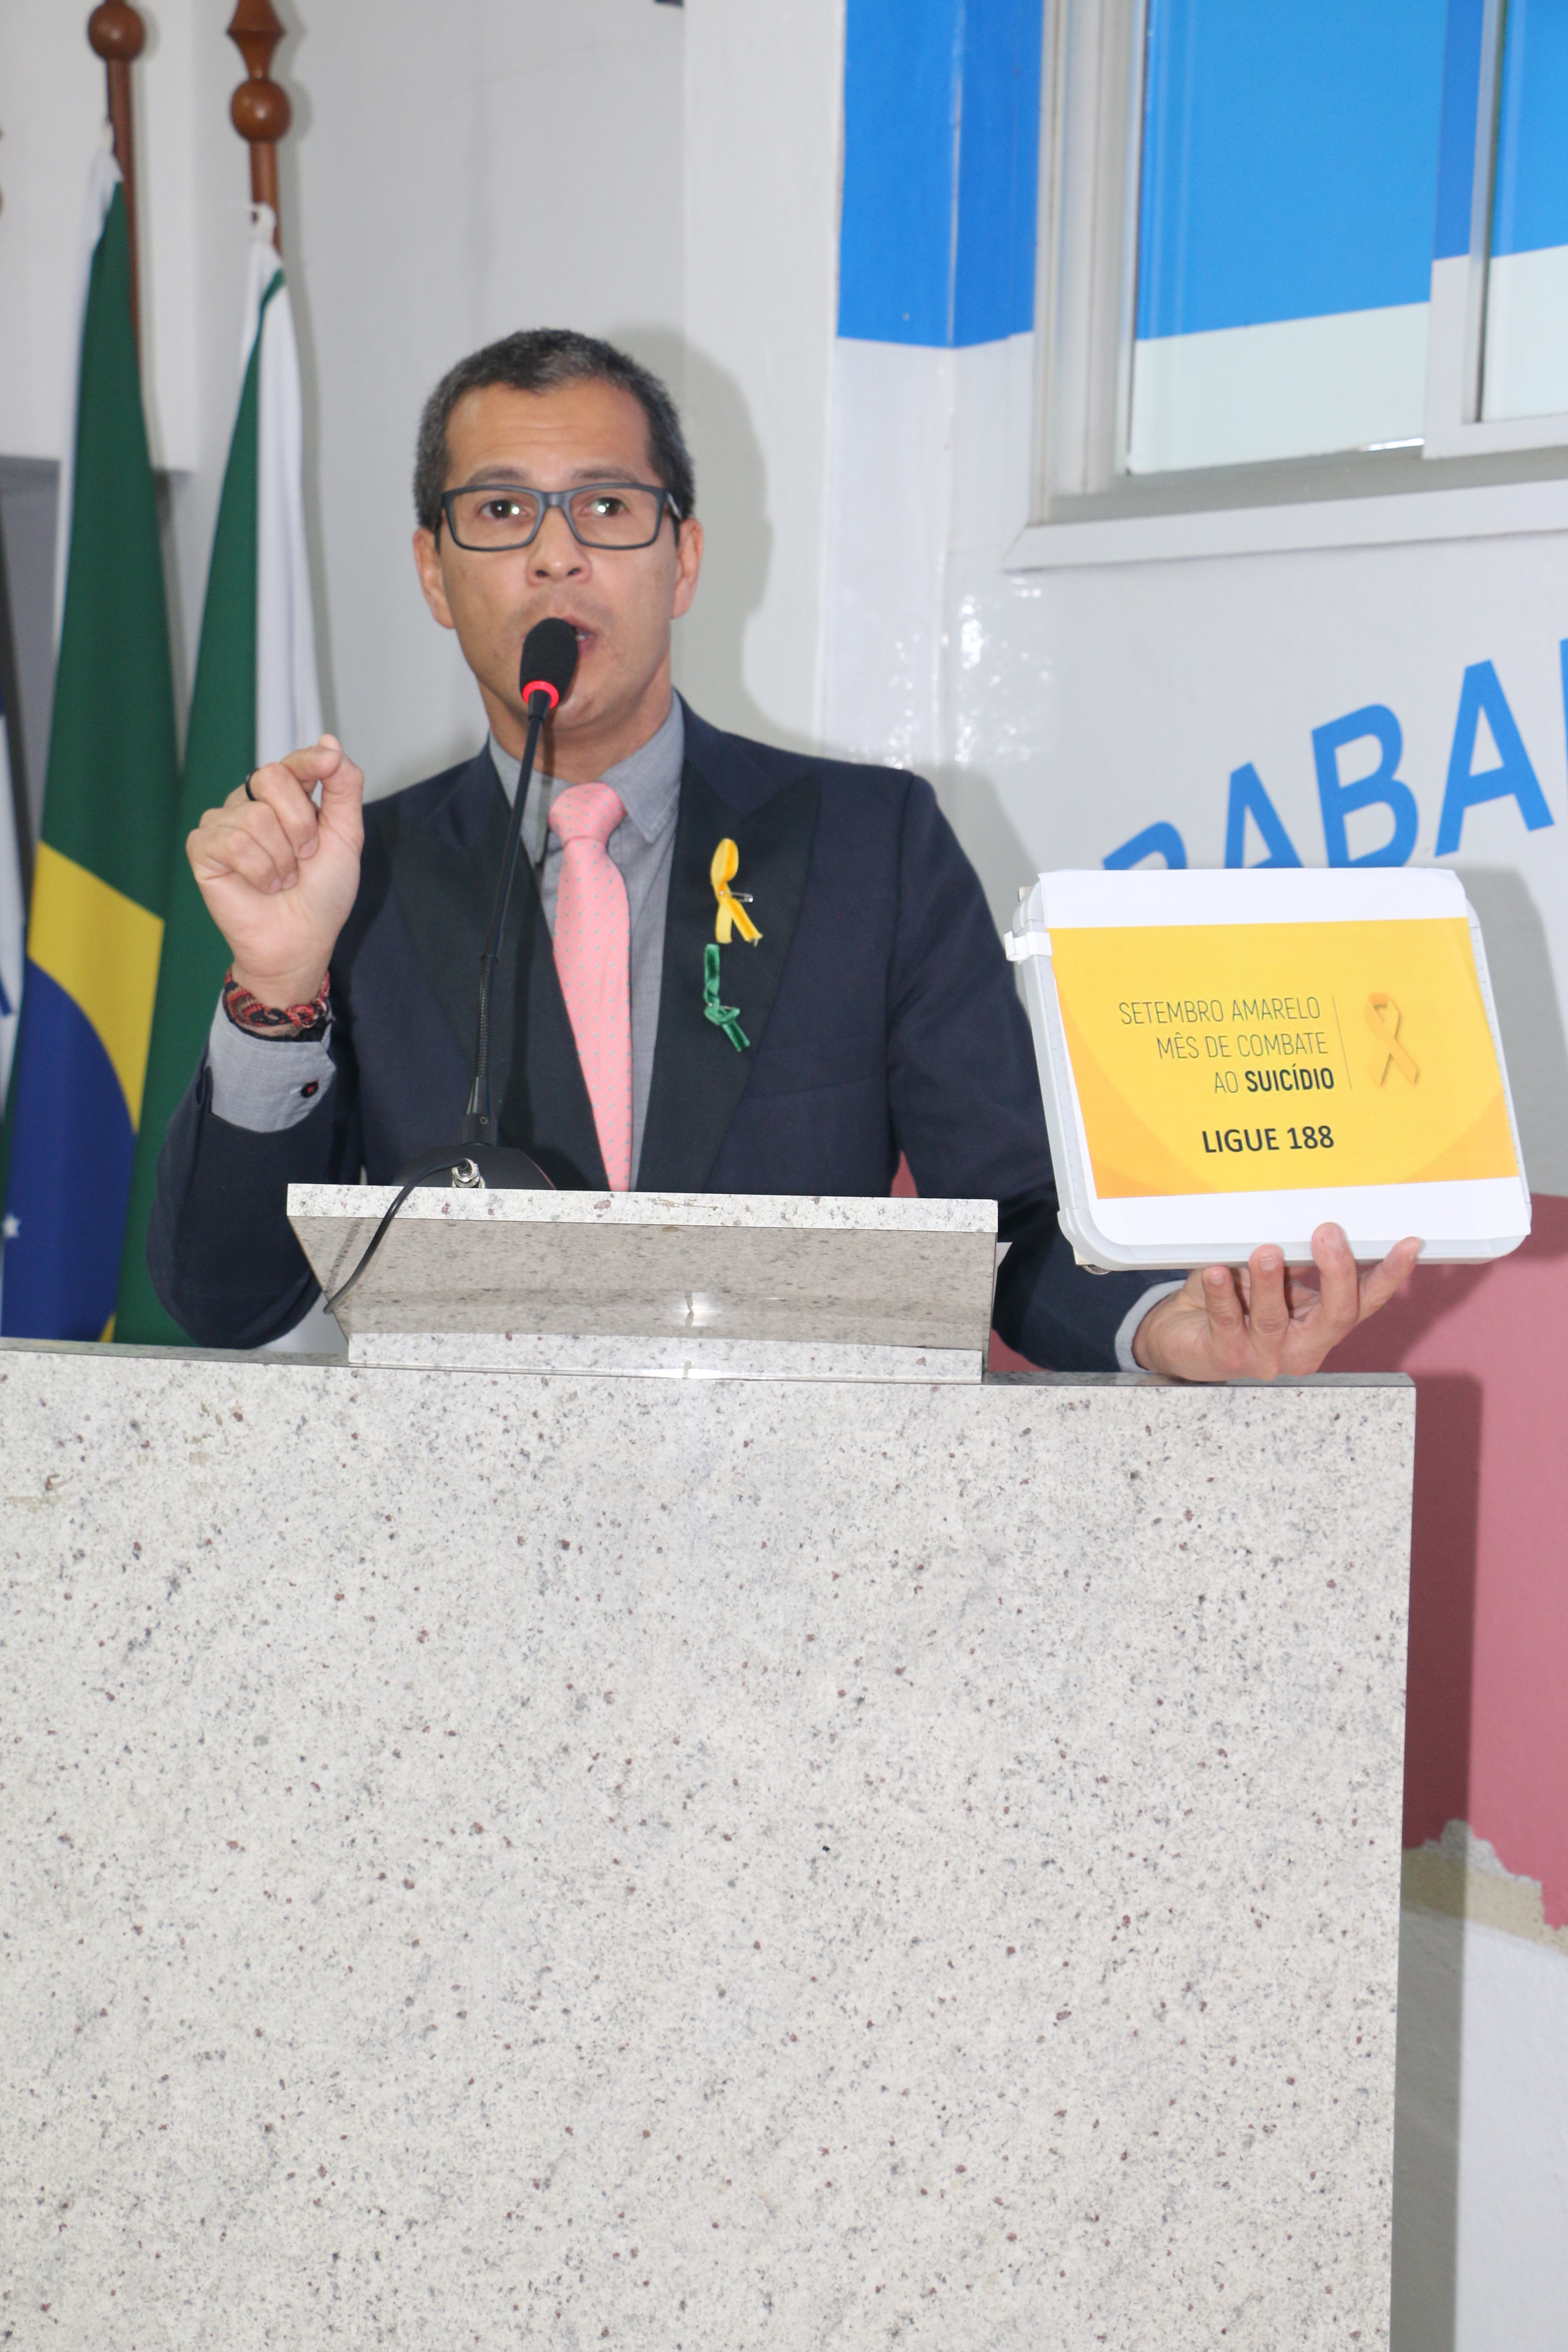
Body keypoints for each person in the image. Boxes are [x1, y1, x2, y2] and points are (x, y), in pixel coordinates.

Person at [149, 330, 1418, 1375]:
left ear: (685, 560)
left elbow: (1015, 1219)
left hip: (809, 1533)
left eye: (607, 506)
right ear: (435, 573)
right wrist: (278, 989)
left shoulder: (874, 846)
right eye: (500, 511)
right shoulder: (355, 878)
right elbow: (230, 1298)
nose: (555, 553)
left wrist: (1160, 1327)